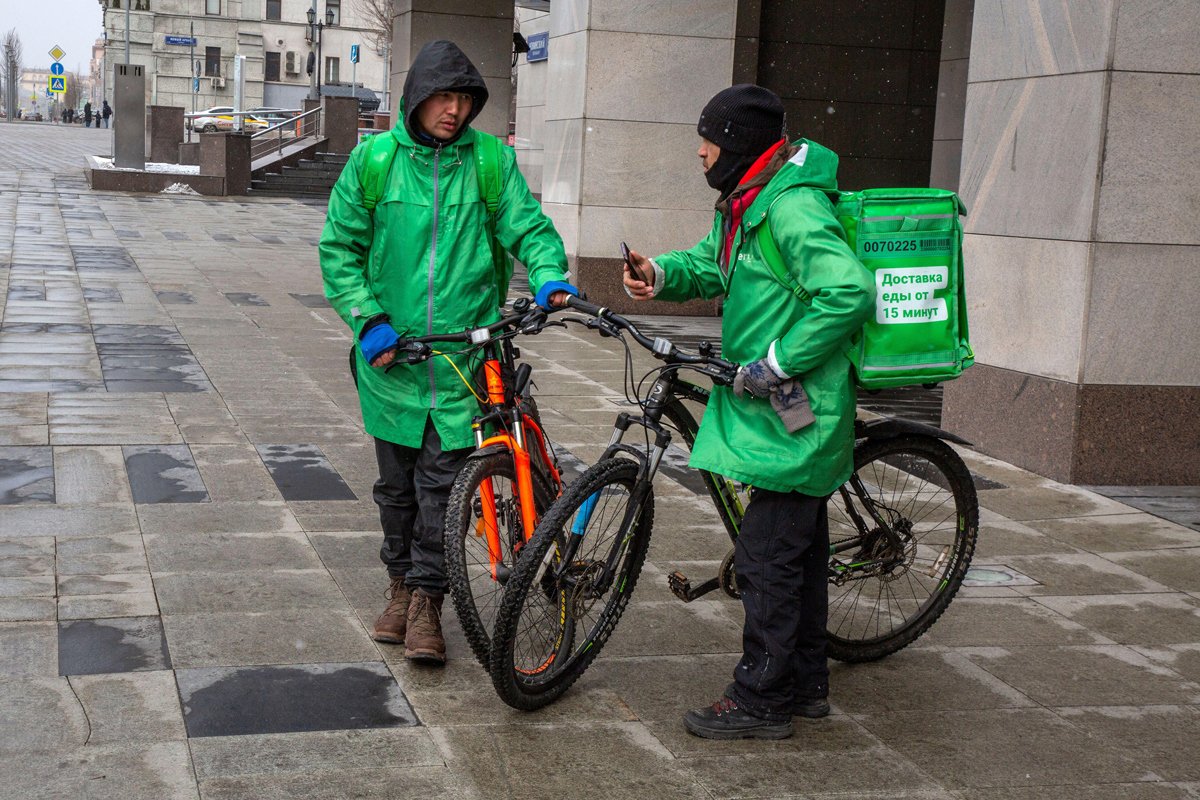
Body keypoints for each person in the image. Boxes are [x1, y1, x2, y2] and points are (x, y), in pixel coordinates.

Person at [622, 84, 875, 740]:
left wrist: (780, 362)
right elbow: (713, 265)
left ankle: (761, 699)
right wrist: (661, 272)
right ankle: (806, 683)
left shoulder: (790, 211)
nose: (700, 152)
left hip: (800, 406)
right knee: (799, 550)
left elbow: (849, 292)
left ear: (737, 146)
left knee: (765, 559)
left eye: (708, 140)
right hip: (779, 408)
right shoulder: (745, 202)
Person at [320, 40, 576, 665]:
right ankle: (400, 585)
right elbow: (340, 249)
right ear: (416, 98)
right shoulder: (374, 162)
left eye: (464, 99)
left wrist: (548, 274)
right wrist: (368, 319)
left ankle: (429, 600)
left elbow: (529, 227)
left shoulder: (490, 162)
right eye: (444, 96)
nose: (455, 110)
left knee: (443, 487)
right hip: (393, 359)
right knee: (396, 488)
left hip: (465, 360)